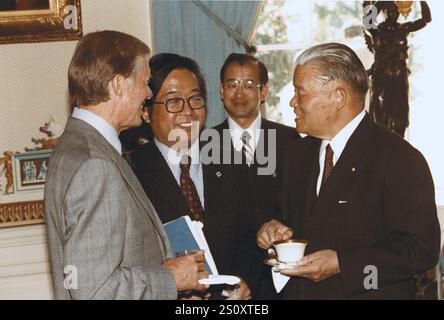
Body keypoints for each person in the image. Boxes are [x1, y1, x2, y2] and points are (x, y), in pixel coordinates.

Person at [256, 42, 440, 299]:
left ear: (338, 97)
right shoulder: (295, 155)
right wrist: (275, 231)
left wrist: (342, 264)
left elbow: (420, 250)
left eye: (301, 93)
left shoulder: (399, 158)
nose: (292, 102)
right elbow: (293, 221)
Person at [44, 31, 208, 300]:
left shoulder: (74, 147)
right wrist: (172, 278)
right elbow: (94, 290)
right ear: (118, 85)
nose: (148, 93)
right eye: (144, 82)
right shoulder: (94, 165)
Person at [130, 53, 256, 300]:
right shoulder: (132, 171)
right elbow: (132, 263)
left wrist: (244, 280)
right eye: (173, 101)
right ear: (146, 111)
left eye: (195, 100)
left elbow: (250, 239)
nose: (188, 111)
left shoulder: (229, 157)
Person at [213, 53, 299, 298]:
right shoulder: (203, 145)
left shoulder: (291, 141)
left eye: (249, 85)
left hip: (285, 276)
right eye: (232, 85)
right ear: (221, 90)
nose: (239, 93)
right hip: (230, 280)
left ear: (264, 92)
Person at [363, 1, 431, 137]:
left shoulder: (404, 29)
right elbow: (367, 21)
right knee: (379, 110)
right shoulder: (377, 31)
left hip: (399, 74)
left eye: (396, 11)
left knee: (400, 110)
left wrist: (422, 1)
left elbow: (426, 19)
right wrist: (380, 3)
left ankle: (400, 139)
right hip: (381, 75)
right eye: (390, 11)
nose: (393, 14)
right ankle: (379, 139)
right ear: (385, 12)